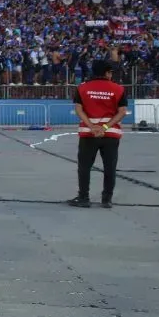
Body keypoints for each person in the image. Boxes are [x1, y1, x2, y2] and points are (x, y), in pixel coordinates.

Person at [68, 60, 128, 208]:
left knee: (84, 167)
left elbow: (78, 109)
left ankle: (83, 197)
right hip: (111, 135)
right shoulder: (118, 89)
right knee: (110, 167)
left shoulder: (82, 88)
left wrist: (92, 126)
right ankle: (107, 199)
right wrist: (105, 127)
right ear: (107, 72)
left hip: (88, 134)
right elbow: (122, 112)